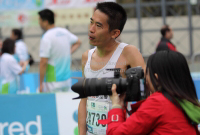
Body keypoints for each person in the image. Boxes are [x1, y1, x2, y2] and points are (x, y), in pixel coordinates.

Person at [78, 2, 146, 135]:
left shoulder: (128, 52)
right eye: (91, 22)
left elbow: (148, 91)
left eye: (98, 26)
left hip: (120, 131)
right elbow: (84, 100)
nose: (91, 29)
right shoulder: (86, 56)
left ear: (115, 33)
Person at [102, 51, 200, 135]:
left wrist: (116, 106)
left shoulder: (158, 103)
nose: (146, 80)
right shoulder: (188, 101)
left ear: (156, 78)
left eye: (147, 73)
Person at [38, 9, 81, 93]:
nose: (39, 23)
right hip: (67, 79)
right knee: (65, 105)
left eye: (39, 20)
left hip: (53, 81)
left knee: (52, 105)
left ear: (45, 21)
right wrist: (68, 53)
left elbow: (43, 62)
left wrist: (40, 83)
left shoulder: (46, 37)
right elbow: (78, 42)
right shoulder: (64, 32)